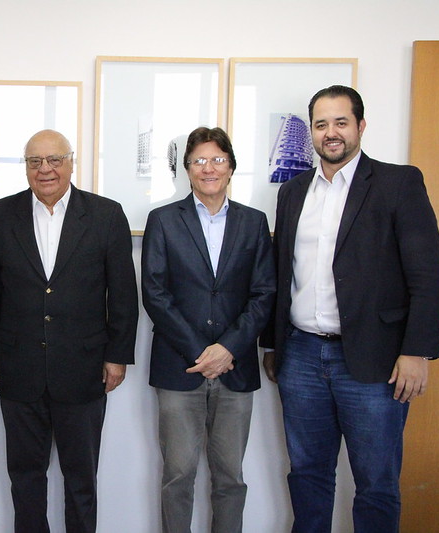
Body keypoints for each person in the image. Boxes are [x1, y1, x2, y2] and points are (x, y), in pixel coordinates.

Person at [261, 85, 439, 532]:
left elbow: (429, 275)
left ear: (360, 126)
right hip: (301, 356)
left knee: (376, 483)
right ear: (312, 132)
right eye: (321, 124)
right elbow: (282, 272)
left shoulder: (398, 183)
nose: (331, 132)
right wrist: (273, 344)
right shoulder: (292, 192)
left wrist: (416, 351)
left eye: (341, 122)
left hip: (375, 360)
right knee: (307, 475)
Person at [0, 129, 138, 533]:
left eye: (54, 160)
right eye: (35, 161)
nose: (45, 169)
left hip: (83, 368)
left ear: (71, 162)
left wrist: (117, 355)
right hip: (18, 367)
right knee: (25, 478)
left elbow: (122, 293)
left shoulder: (106, 215)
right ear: (26, 167)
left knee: (81, 479)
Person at [141, 127, 276, 533]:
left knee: (230, 478)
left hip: (236, 368)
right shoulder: (163, 220)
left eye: (218, 159)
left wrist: (228, 348)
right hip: (180, 366)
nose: (209, 168)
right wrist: (203, 352)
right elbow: (155, 293)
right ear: (186, 169)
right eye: (199, 160)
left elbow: (264, 293)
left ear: (231, 167)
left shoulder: (254, 222)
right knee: (178, 475)